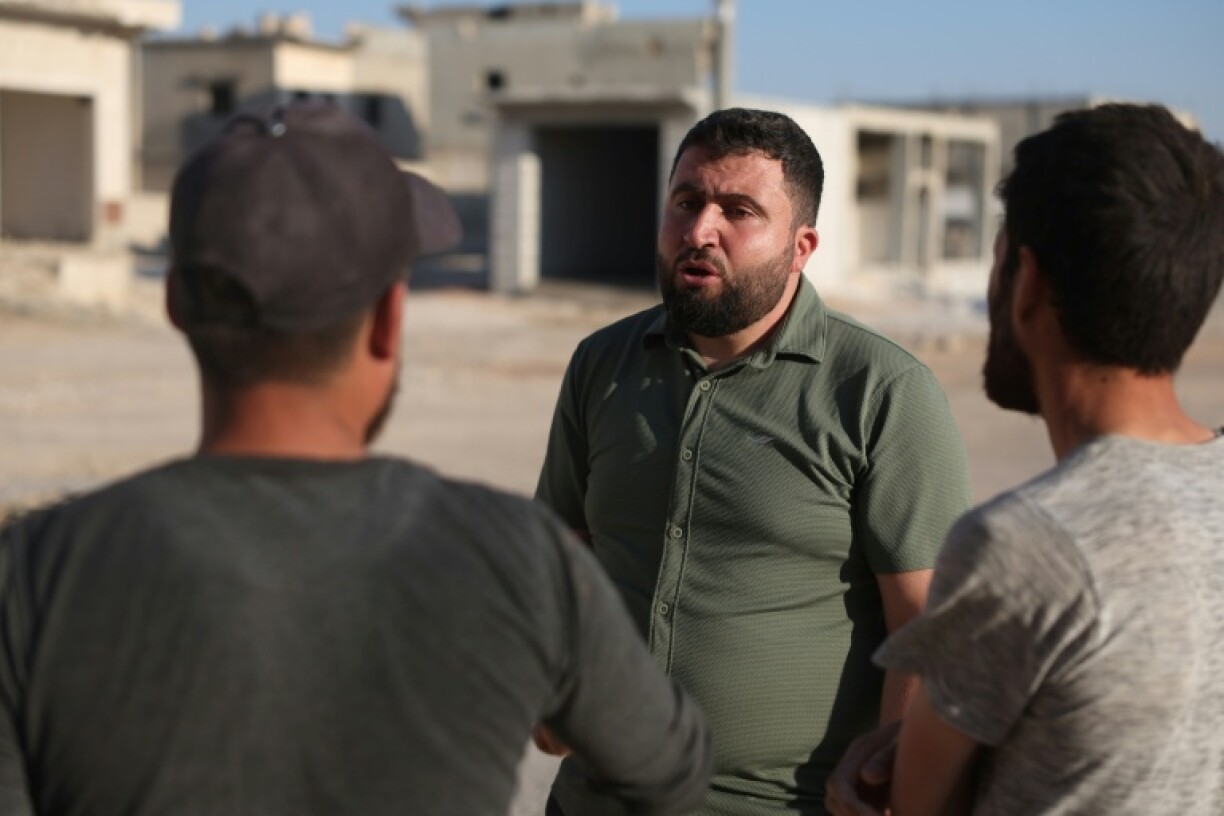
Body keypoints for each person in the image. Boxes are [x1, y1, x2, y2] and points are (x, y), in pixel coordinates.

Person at [0, 102, 714, 816]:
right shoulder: (516, 560)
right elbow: (671, 771)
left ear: (176, 304)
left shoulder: (34, 575)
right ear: (388, 319)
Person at [534, 107, 971, 814]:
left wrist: (886, 783)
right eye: (685, 203)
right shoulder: (603, 364)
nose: (699, 231)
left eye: (739, 210)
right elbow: (559, 551)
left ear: (802, 247)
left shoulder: (880, 390)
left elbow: (928, 631)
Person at [825, 103, 1224, 816]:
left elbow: (919, 807)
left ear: (1027, 281)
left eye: (999, 256)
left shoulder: (1023, 546)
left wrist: (877, 772)